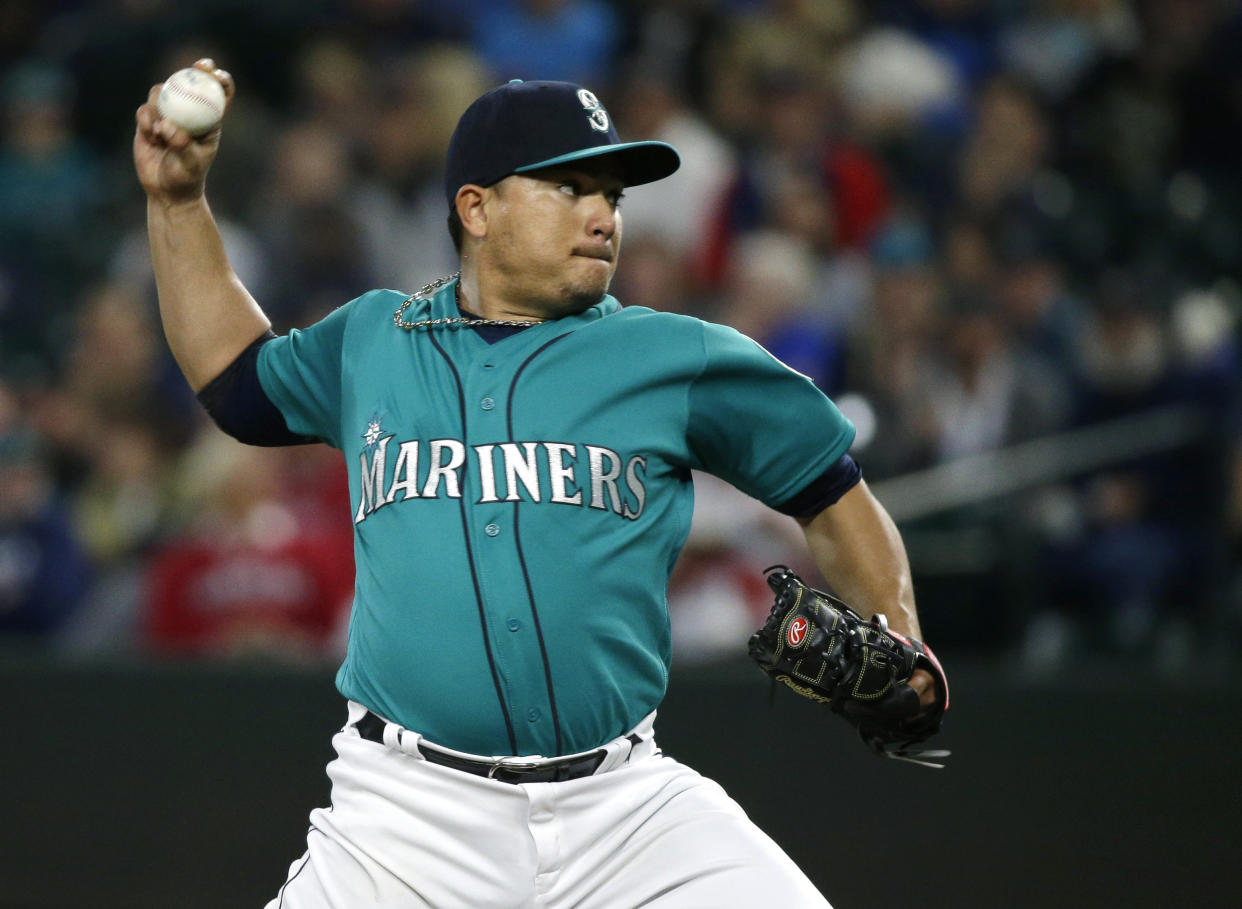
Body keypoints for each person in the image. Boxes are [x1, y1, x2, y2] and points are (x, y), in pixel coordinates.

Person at [134, 60, 941, 908]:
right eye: (569, 187)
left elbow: (832, 487)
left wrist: (905, 639)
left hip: (625, 810)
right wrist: (178, 205)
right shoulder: (374, 339)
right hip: (405, 819)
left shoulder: (674, 357)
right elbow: (234, 377)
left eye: (613, 195)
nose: (602, 214)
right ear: (476, 208)